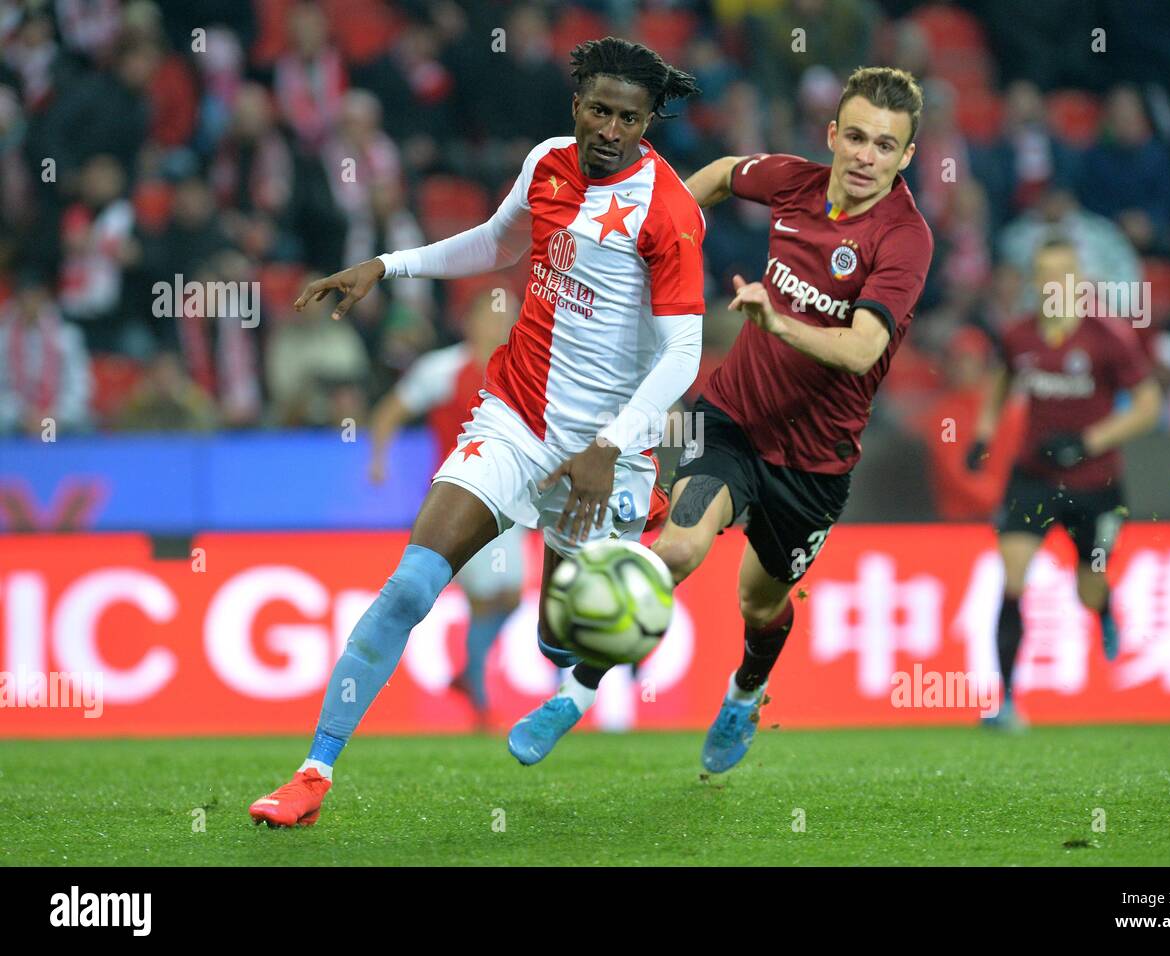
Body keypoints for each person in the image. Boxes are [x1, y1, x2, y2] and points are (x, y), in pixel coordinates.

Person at [249, 37, 705, 826]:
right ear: (577, 106)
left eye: (628, 118)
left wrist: (612, 444)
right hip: (517, 416)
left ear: (646, 124)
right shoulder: (548, 164)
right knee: (410, 586)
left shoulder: (667, 211)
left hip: (607, 452)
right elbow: (497, 243)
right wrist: (387, 266)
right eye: (598, 109)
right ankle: (313, 772)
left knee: (562, 637)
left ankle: (569, 687)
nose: (609, 129)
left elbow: (685, 350)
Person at [511, 66, 935, 773]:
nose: (866, 157)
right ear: (833, 136)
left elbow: (863, 350)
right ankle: (575, 695)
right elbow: (714, 177)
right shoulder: (794, 182)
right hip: (731, 420)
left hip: (815, 465)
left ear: (907, 156)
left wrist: (778, 319)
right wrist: (661, 244)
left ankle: (745, 691)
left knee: (760, 603)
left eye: (885, 146)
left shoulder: (904, 239)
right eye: (856, 137)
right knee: (677, 550)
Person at [966, 237, 1162, 730]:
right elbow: (1002, 383)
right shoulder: (1018, 337)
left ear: (1080, 279)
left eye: (1065, 272)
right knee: (1012, 578)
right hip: (1032, 477)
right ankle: (1007, 702)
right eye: (1046, 273)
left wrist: (1087, 440)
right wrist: (984, 434)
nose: (1055, 283)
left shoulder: (1107, 337)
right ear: (1036, 281)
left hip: (1095, 484)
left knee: (1087, 589)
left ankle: (1105, 608)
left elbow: (1148, 406)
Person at [367, 289, 523, 726]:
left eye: (507, 317)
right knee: (495, 595)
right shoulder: (442, 369)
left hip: (512, 497)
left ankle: (470, 679)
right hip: (462, 498)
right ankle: (479, 701)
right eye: (493, 317)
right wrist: (378, 460)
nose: (500, 325)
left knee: (503, 598)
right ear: (470, 323)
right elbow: (389, 412)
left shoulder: (523, 367)